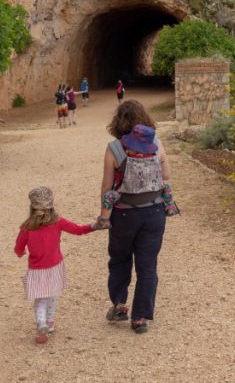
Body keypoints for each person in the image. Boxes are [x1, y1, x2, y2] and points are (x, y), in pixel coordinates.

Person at [97, 101, 172, 334]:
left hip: (124, 213)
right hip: (154, 212)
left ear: (118, 122)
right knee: (148, 265)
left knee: (119, 259)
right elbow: (166, 178)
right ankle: (140, 318)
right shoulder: (157, 144)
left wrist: (104, 216)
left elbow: (107, 187)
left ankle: (120, 305)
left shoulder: (114, 149)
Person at [14, 186, 103, 344]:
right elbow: (77, 230)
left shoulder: (26, 227)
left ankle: (41, 324)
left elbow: (18, 247)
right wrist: (93, 226)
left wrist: (20, 253)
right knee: (52, 295)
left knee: (40, 299)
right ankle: (50, 323)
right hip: (55, 266)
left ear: (32, 207)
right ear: (52, 205)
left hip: (37, 269)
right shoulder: (58, 222)